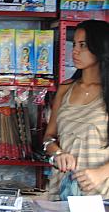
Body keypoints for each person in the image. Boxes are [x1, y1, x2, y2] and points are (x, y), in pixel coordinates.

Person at [43, 20, 109, 200]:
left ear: (100, 47)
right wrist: (57, 153)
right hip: (63, 190)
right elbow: (48, 137)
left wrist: (101, 173)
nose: (75, 51)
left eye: (83, 45)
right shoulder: (66, 89)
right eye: (74, 44)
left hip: (102, 194)